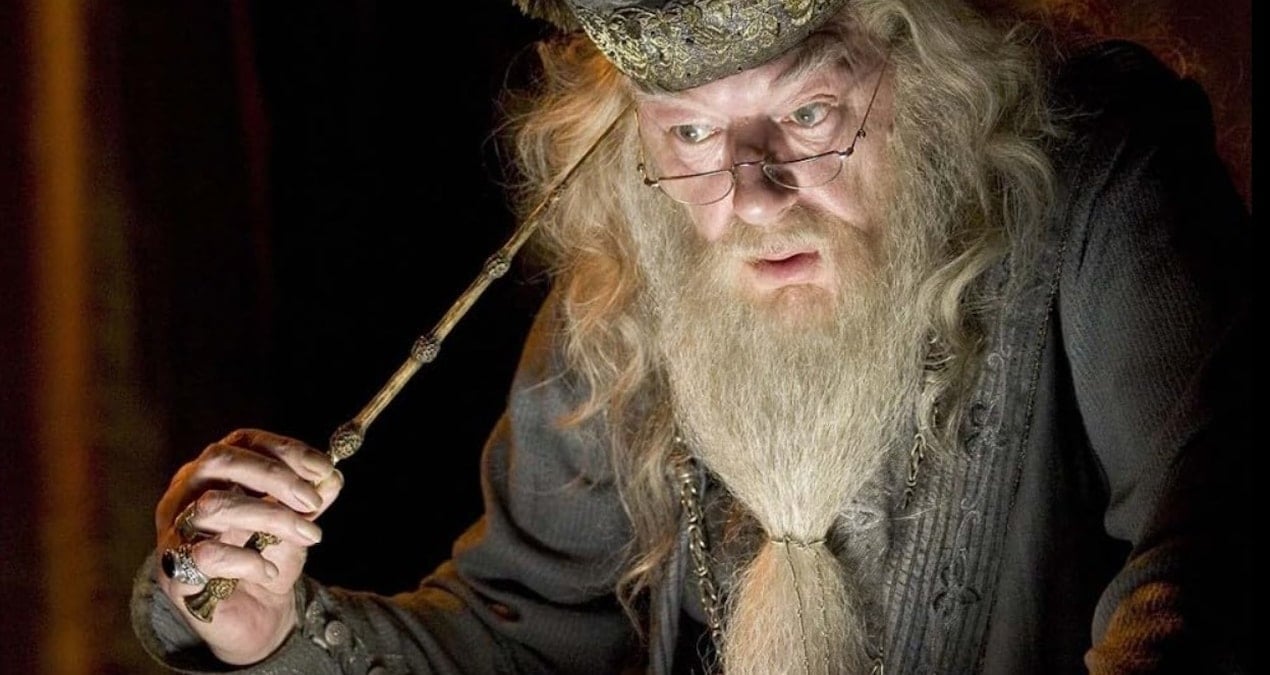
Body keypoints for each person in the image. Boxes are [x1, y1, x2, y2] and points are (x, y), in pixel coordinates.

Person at [131, 0, 1252, 672]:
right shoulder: (640, 278)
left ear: (931, 82)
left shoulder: (1099, 178)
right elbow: (523, 639)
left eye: (808, 114)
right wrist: (269, 626)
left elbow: (1210, 563)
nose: (754, 196)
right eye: (693, 135)